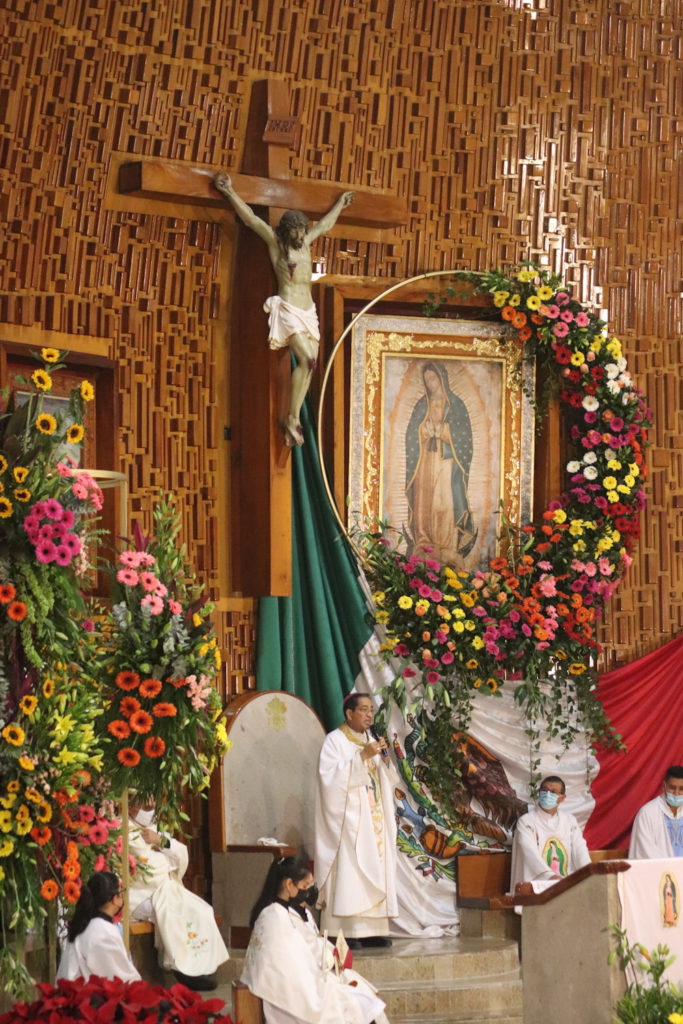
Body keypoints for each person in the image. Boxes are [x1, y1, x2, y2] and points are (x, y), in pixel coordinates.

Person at [213, 170, 355, 447]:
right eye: (295, 231)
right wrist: (229, 191)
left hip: (308, 310)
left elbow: (325, 226)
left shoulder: (307, 244)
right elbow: (250, 219)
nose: (300, 235)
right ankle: (293, 418)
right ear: (286, 231)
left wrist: (340, 203)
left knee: (312, 366)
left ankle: (293, 417)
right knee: (307, 360)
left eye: (302, 230)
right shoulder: (276, 244)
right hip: (289, 309)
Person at [242, 853, 389, 1024]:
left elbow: (299, 958)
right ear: (289, 884)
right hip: (287, 1003)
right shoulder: (275, 916)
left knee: (360, 1000)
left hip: (297, 990)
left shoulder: (279, 912)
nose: (309, 891)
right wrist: (322, 982)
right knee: (351, 1004)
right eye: (305, 885)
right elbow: (285, 971)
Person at [314, 692, 397, 948]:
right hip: (349, 821)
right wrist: (361, 757)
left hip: (374, 818)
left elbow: (389, 780)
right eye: (363, 709)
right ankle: (346, 932)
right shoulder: (335, 741)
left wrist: (384, 759)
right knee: (352, 871)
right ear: (349, 713)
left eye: (371, 710)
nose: (369, 715)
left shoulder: (371, 740)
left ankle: (373, 930)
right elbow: (328, 780)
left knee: (375, 868)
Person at [127, 795, 229, 990]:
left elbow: (181, 853)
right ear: (131, 808)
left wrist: (161, 841)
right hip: (141, 892)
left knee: (203, 910)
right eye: (145, 806)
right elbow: (149, 866)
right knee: (175, 913)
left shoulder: (153, 829)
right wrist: (165, 859)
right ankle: (181, 968)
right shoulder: (125, 829)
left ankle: (202, 968)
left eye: (152, 806)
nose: (150, 810)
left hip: (166, 887)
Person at [405, 361, 477, 567]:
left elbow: (464, 437)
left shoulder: (456, 405)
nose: (430, 383)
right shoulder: (422, 405)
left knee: (443, 501)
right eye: (426, 380)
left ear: (441, 378)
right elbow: (411, 434)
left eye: (433, 378)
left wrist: (444, 431)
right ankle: (424, 543)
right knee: (424, 501)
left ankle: (446, 546)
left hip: (446, 462)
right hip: (424, 462)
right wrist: (424, 431)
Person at [509, 776, 591, 895]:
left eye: (553, 792)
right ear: (539, 792)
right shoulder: (526, 822)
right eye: (544, 790)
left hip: (566, 884)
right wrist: (551, 877)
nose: (547, 794)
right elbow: (529, 853)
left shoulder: (569, 821)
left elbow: (580, 849)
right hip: (537, 886)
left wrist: (589, 872)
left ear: (562, 798)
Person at [57, 871, 141, 982]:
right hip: (86, 991)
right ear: (115, 899)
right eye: (120, 894)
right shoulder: (104, 932)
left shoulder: (84, 923)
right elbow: (121, 978)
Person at [628, 765, 683, 859]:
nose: (676, 793)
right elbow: (644, 852)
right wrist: (672, 866)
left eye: (681, 789)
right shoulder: (647, 814)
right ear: (664, 786)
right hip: (660, 868)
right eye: (672, 788)